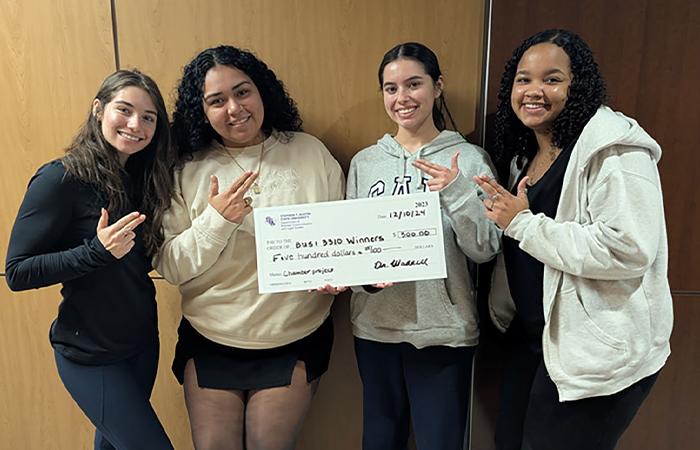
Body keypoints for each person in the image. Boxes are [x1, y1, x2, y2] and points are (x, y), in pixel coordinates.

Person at [474, 29, 674, 450]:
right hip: (536, 341)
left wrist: (523, 224)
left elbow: (627, 248)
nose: (533, 91)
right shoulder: (524, 154)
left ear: (576, 86)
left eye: (551, 79)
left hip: (596, 352)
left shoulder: (614, 148)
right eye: (523, 79)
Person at [155, 45, 345, 450]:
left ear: (263, 92)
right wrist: (216, 221)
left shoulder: (309, 152)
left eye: (243, 92)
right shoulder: (187, 168)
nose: (234, 108)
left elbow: (342, 240)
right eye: (216, 100)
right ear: (201, 110)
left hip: (293, 333)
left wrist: (338, 275)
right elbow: (170, 266)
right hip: (211, 334)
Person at [5, 70, 176, 449]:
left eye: (149, 117)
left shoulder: (144, 178)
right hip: (90, 354)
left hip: (142, 345)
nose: (136, 125)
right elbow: (17, 272)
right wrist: (95, 252)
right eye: (125, 110)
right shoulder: (60, 179)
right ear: (98, 110)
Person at [346, 42, 501, 450]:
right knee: (380, 440)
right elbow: (351, 246)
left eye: (414, 84)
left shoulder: (470, 160)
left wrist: (457, 193)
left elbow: (485, 249)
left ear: (437, 86)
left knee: (441, 442)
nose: (402, 98)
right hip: (375, 328)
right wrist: (354, 277)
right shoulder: (365, 163)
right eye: (391, 88)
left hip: (445, 330)